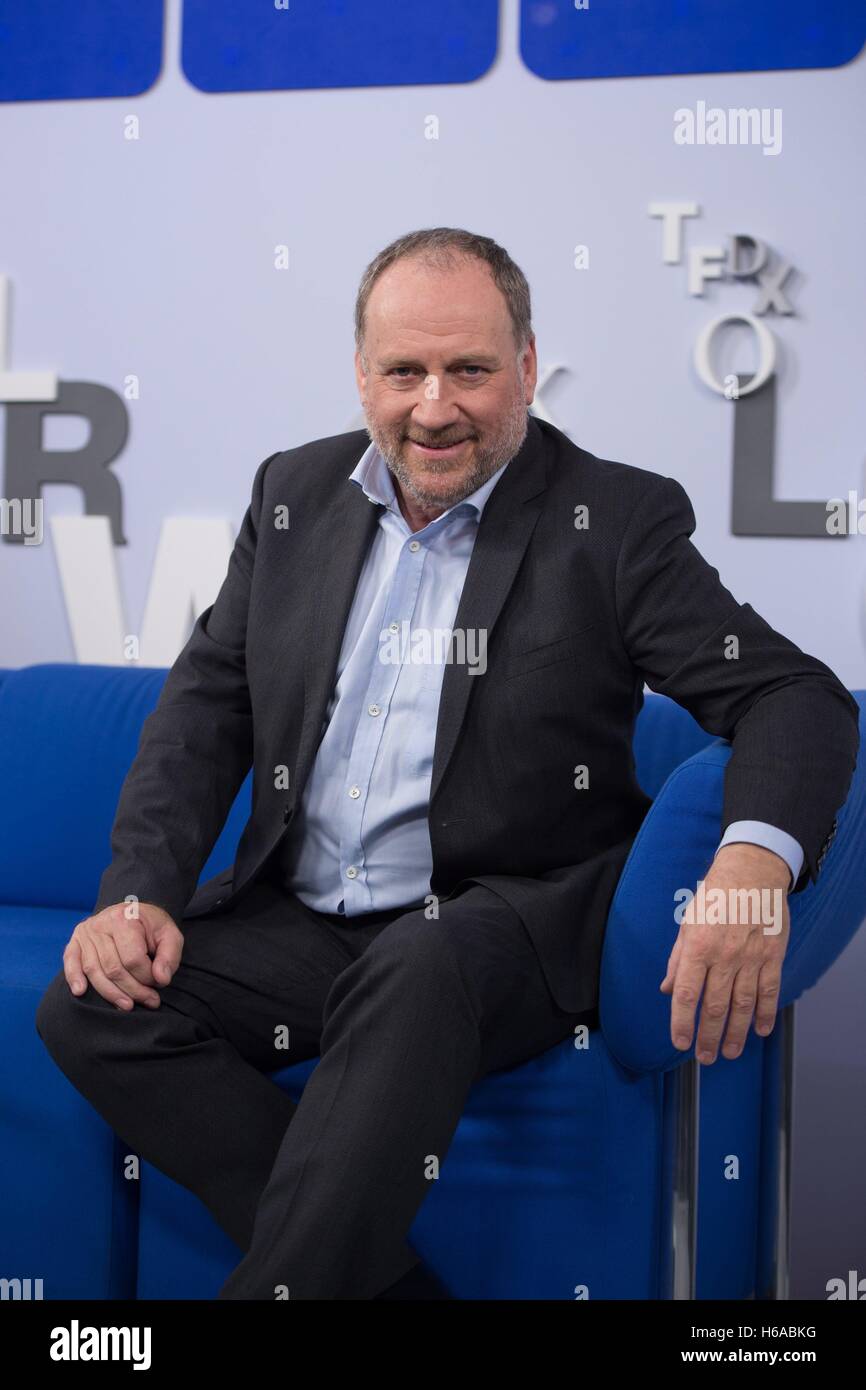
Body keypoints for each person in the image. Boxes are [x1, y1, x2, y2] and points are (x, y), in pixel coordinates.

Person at [35, 228, 859, 1300]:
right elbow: (206, 708)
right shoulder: (292, 494)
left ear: (525, 364)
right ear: (361, 374)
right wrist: (137, 893)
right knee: (88, 1002)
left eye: (468, 368)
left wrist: (752, 863)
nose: (433, 405)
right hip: (306, 921)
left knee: (418, 959)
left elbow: (791, 693)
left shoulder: (611, 519)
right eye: (402, 371)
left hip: (494, 921)